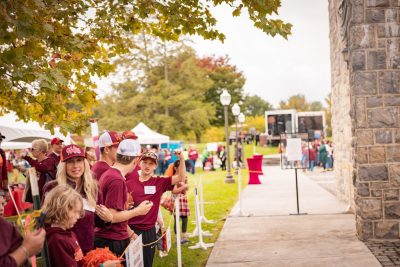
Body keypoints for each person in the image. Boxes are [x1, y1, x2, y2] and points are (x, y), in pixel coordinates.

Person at [42, 144, 113, 254]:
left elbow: (97, 222)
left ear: (84, 163)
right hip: (62, 250)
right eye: (70, 161)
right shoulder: (53, 188)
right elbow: (44, 222)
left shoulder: (93, 188)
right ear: (63, 165)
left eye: (79, 160)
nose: (75, 165)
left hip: (87, 250)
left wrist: (107, 219)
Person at [126, 150, 186, 267]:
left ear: (155, 166)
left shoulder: (159, 182)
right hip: (131, 230)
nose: (147, 166)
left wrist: (182, 159)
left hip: (149, 231)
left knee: (147, 263)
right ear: (139, 163)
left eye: (151, 163)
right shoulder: (128, 183)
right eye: (145, 162)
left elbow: (181, 178)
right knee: (131, 263)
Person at [95, 139, 152, 257]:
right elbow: (112, 217)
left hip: (108, 238)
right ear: (136, 160)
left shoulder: (110, 173)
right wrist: (138, 211)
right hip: (111, 240)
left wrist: (130, 233)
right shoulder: (116, 180)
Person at [43, 185, 120, 267]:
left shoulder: (70, 233)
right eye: (75, 212)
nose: (78, 216)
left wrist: (99, 263)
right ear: (61, 210)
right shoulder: (57, 241)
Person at [171, 160, 190, 244]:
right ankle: (177, 238)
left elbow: (187, 188)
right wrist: (184, 186)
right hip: (176, 200)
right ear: (175, 168)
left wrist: (186, 184)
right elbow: (174, 191)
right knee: (177, 219)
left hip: (183, 199)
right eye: (180, 166)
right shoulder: (174, 177)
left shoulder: (184, 176)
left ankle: (184, 236)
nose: (183, 168)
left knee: (185, 218)